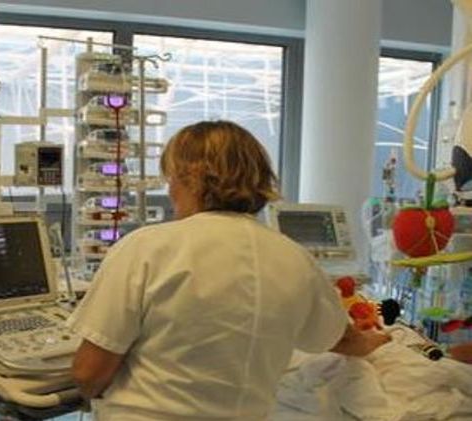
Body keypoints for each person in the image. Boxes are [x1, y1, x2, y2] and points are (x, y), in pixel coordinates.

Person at [66, 120, 390, 420]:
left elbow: (88, 373)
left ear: (191, 179)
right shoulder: (295, 260)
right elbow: (342, 339)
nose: (170, 191)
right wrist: (378, 339)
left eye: (171, 179)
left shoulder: (145, 248)